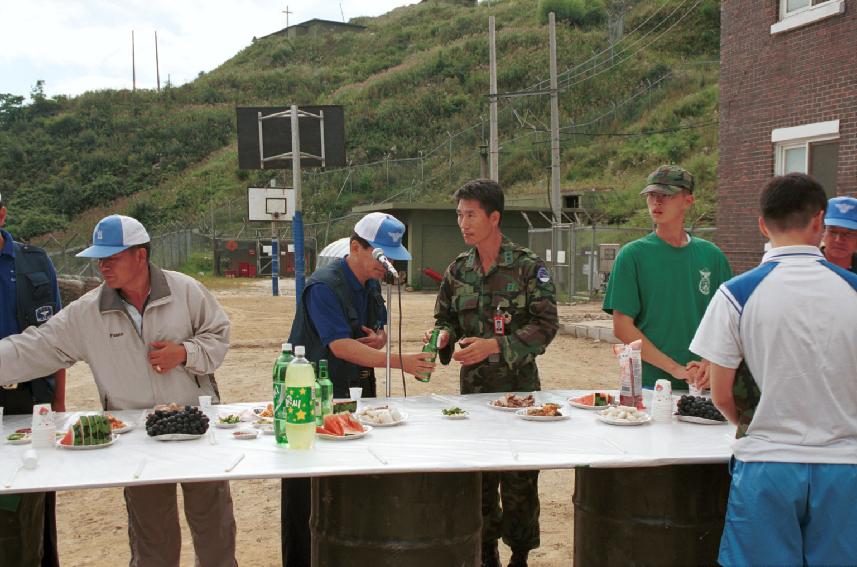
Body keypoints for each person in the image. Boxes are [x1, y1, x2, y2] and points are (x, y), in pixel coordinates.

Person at [0, 214, 237, 567]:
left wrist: (185, 353)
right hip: (136, 440)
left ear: (140, 255)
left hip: (196, 428)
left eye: (111, 257)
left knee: (215, 534)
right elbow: (35, 347)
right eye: (99, 258)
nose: (102, 265)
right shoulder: (87, 312)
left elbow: (218, 337)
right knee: (152, 543)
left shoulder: (186, 290)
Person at [690, 173, 857, 565]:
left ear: (762, 224)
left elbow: (720, 394)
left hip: (767, 463)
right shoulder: (852, 290)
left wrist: (752, 424)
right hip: (845, 467)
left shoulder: (736, 294)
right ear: (819, 221)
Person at [282, 211, 435, 567]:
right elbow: (340, 346)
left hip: (358, 391)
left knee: (355, 480)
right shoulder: (323, 286)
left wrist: (381, 338)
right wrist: (402, 361)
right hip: (316, 394)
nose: (387, 264)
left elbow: (374, 332)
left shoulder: (369, 284)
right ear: (355, 247)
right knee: (307, 488)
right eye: (381, 255)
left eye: (391, 257)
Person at [432, 179, 558, 567]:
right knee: (481, 481)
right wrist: (443, 336)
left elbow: (546, 324)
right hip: (475, 397)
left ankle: (520, 555)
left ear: (494, 217)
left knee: (519, 480)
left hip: (519, 397)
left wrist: (496, 346)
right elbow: (445, 317)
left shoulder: (526, 266)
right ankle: (486, 553)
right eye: (459, 215)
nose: (463, 223)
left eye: (471, 215)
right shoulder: (458, 270)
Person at [602, 164, 732, 391]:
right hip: (650, 386)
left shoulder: (712, 256)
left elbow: (726, 322)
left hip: (703, 383)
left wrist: (708, 364)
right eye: (652, 195)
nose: (657, 202)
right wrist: (675, 368)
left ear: (688, 201)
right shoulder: (632, 255)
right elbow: (622, 327)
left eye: (666, 195)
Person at [0, 193, 63, 567]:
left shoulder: (34, 261)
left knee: (37, 494)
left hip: (33, 397)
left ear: (3, 213)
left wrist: (59, 403)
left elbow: (57, 337)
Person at [821, 195, 857, 274]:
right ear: (822, 233)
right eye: (833, 232)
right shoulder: (807, 265)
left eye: (848, 234)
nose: (839, 240)